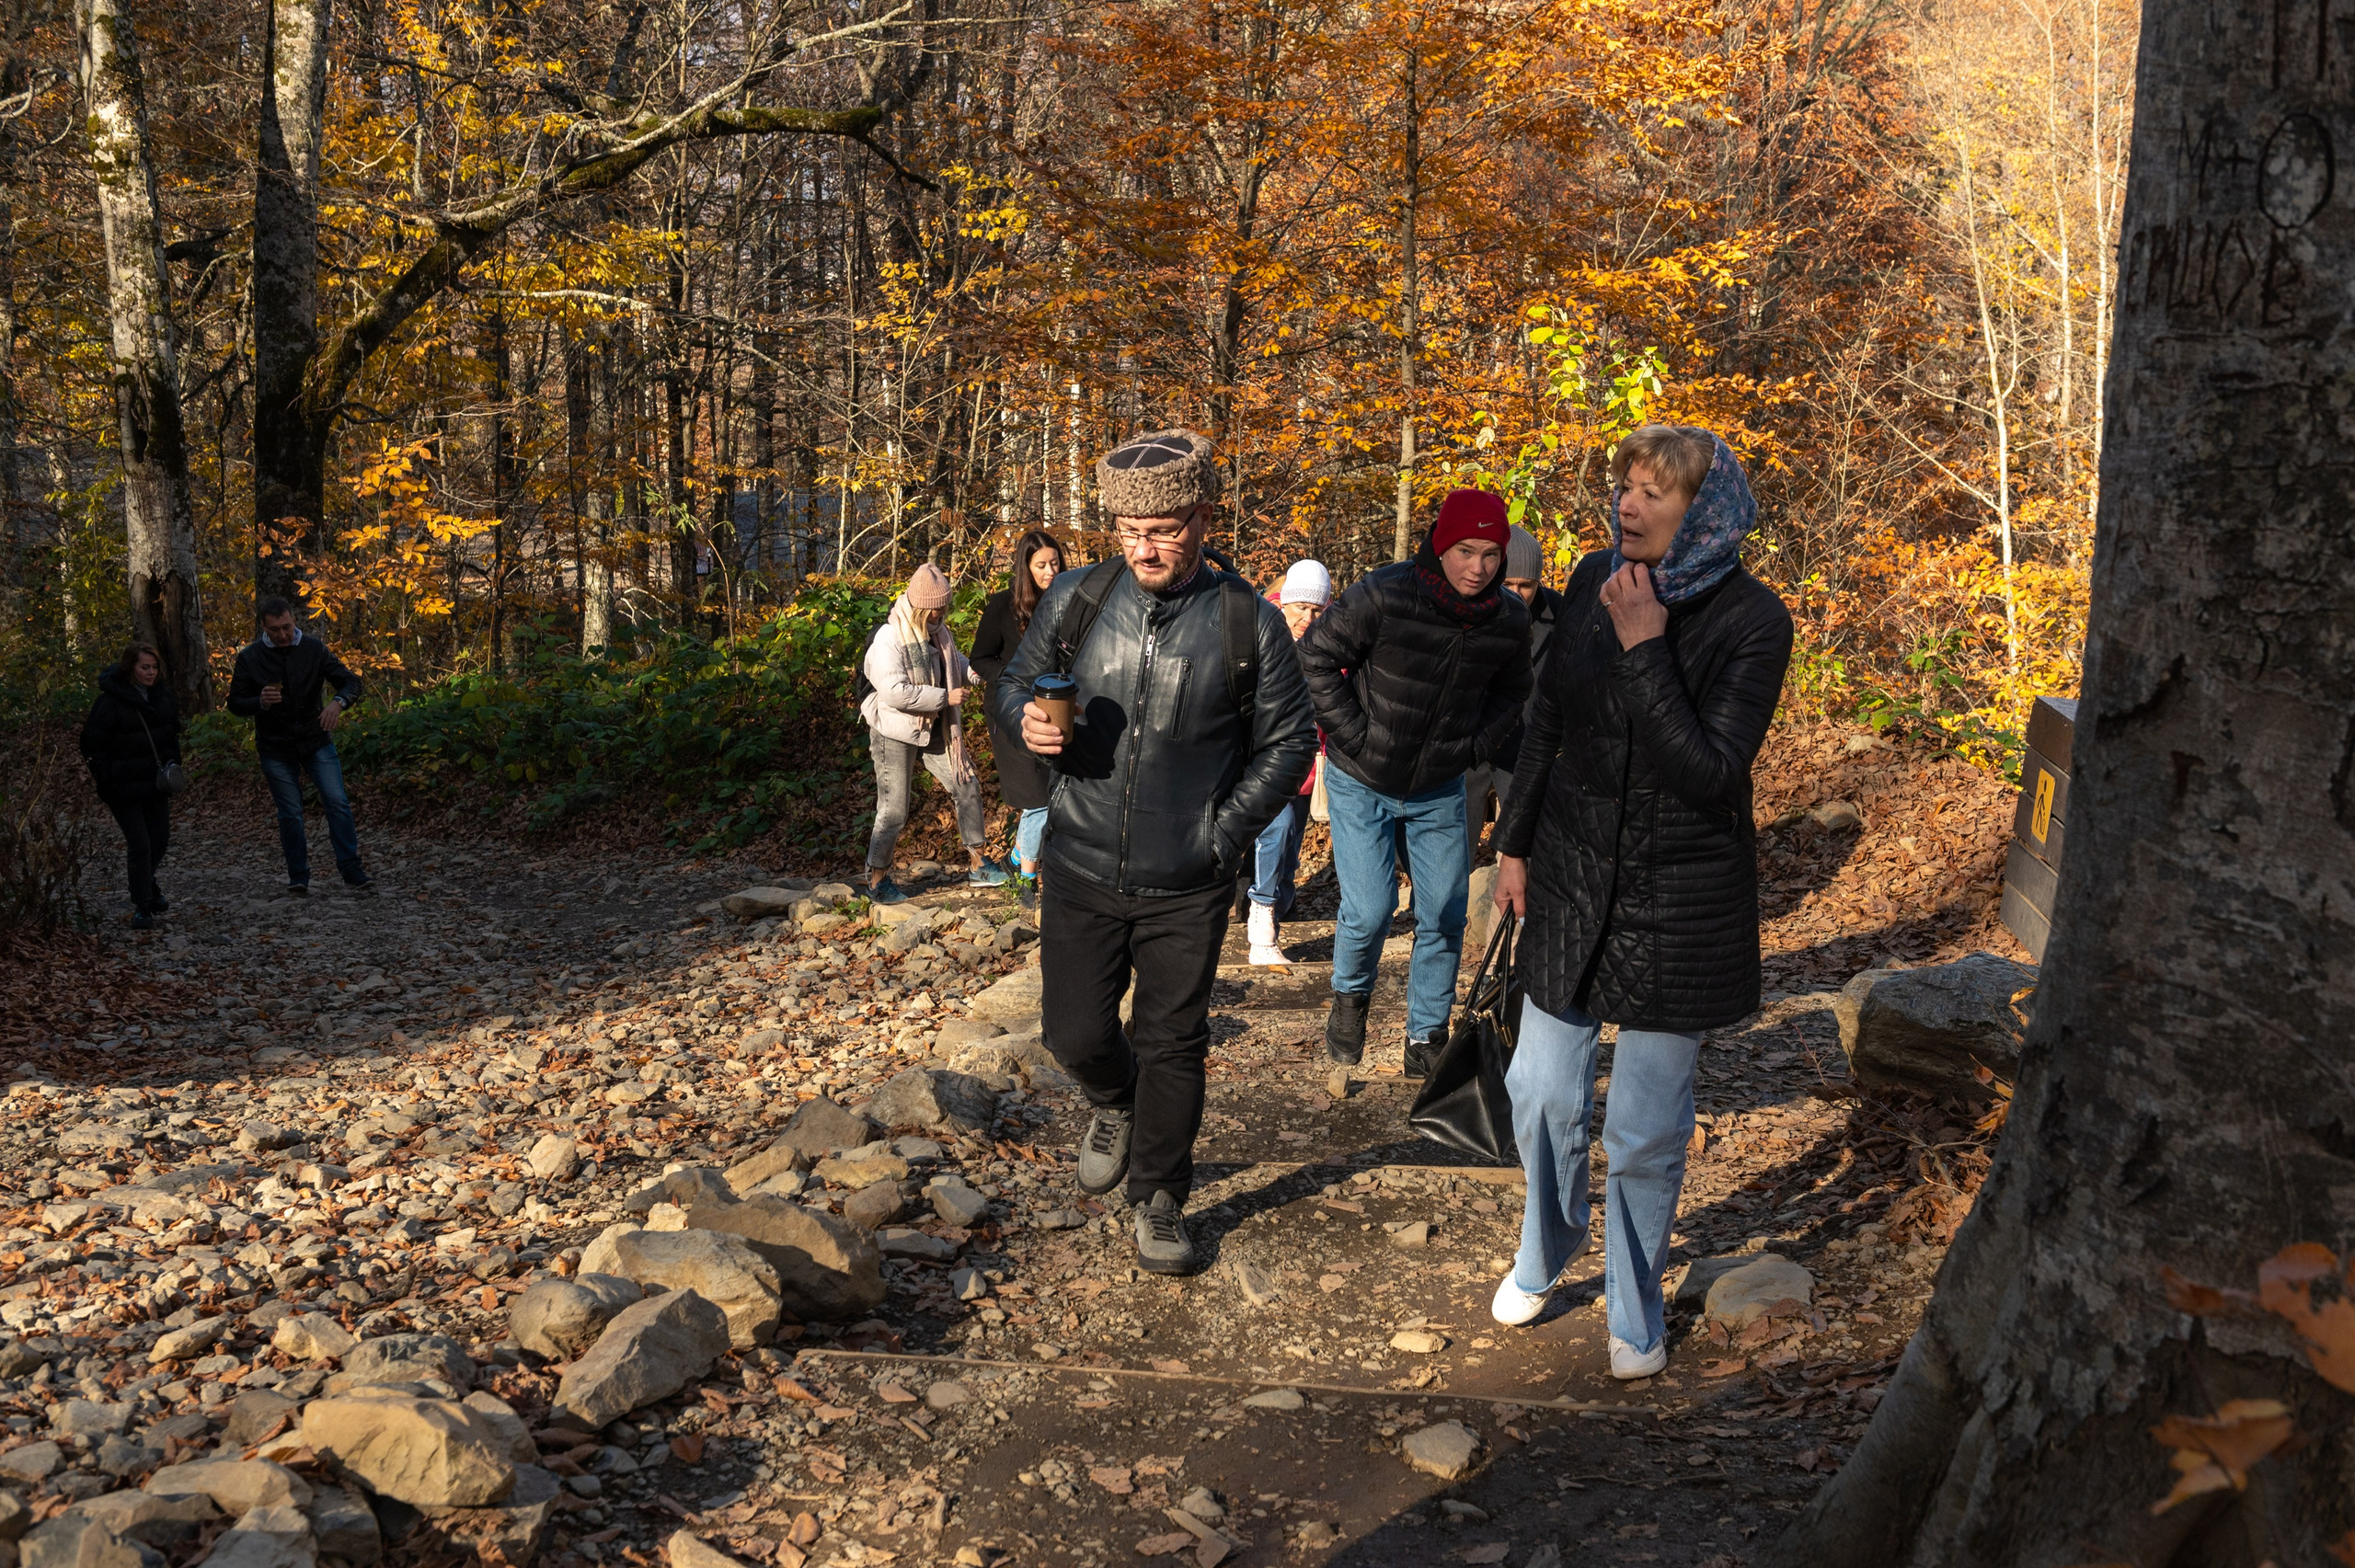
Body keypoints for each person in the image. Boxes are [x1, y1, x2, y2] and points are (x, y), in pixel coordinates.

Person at [1488, 425, 1793, 1380]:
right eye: (1624, 488)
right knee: (1537, 1091)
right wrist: (1516, 844)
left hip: (1681, 903)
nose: (1627, 505)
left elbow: (1709, 772)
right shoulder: (1586, 581)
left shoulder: (1754, 621)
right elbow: (1546, 721)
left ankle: (1632, 1304)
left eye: (1653, 494)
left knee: (1646, 1128)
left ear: (1703, 512)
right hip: (1574, 877)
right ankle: (1544, 1249)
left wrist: (1645, 646)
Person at [993, 428, 1316, 1275]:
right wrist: (1024, 726)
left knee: (1174, 1039)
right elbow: (1015, 685)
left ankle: (1162, 1194)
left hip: (1188, 880)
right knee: (1074, 1033)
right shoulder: (1076, 599)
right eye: (1129, 530)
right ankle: (1114, 1100)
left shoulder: (1249, 621)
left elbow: (1288, 743)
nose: (1144, 547)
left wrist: (1222, 834)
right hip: (1080, 863)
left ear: (1203, 517)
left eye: (1164, 528)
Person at [1296, 488, 1531, 1077]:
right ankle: (1350, 999)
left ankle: (1426, 1036)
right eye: (1464, 551)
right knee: (1370, 910)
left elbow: (1514, 692)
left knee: (1446, 911)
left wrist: (1472, 748)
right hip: (1361, 778)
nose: (1477, 568)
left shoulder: (1508, 619)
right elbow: (1314, 658)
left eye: (1491, 555)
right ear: (1438, 545)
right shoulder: (1385, 592)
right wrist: (1353, 734)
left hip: (1439, 787)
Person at [859, 563, 1009, 904]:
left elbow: (955, 664)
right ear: (921, 605)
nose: (942, 613)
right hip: (895, 729)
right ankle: (877, 879)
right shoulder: (890, 637)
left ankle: (978, 863)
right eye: (937, 608)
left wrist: (985, 672)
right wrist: (945, 696)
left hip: (934, 727)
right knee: (894, 809)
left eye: (945, 606)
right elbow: (894, 691)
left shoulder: (939, 633)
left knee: (966, 783)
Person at [227, 597, 375, 898]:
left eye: (287, 627)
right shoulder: (250, 658)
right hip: (275, 746)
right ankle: (298, 877)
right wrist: (259, 702)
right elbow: (234, 703)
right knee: (291, 812)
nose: (282, 634)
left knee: (336, 801)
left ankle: (352, 870)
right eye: (275, 629)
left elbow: (351, 682)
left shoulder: (313, 649)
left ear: (294, 622)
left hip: (315, 738)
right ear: (264, 628)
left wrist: (338, 702)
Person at [969, 530, 1067, 910]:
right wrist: (1012, 677)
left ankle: (1014, 860)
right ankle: (1027, 879)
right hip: (1008, 711)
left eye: (1055, 563)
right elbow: (980, 659)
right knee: (1038, 796)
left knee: (1053, 791)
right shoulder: (1001, 607)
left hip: (1053, 707)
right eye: (1041, 565)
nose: (1050, 571)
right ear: (1026, 568)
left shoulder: (1066, 601)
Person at [1244, 559, 1331, 966]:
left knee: (1292, 839)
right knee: (1274, 833)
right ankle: (1261, 926)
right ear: (1285, 603)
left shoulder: (1333, 639)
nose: (1307, 618)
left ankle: (1282, 901)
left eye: (1316, 610)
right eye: (1300, 608)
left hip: (1311, 760)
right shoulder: (1260, 631)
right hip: (1267, 756)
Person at [78, 642, 181, 930]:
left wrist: (173, 764)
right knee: (140, 843)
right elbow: (91, 744)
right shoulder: (110, 702)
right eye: (144, 667)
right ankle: (142, 905)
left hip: (155, 783)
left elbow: (171, 735)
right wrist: (107, 775)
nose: (150, 673)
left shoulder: (163, 698)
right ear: (130, 668)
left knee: (159, 839)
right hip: (121, 786)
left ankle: (147, 883)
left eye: (154, 667)